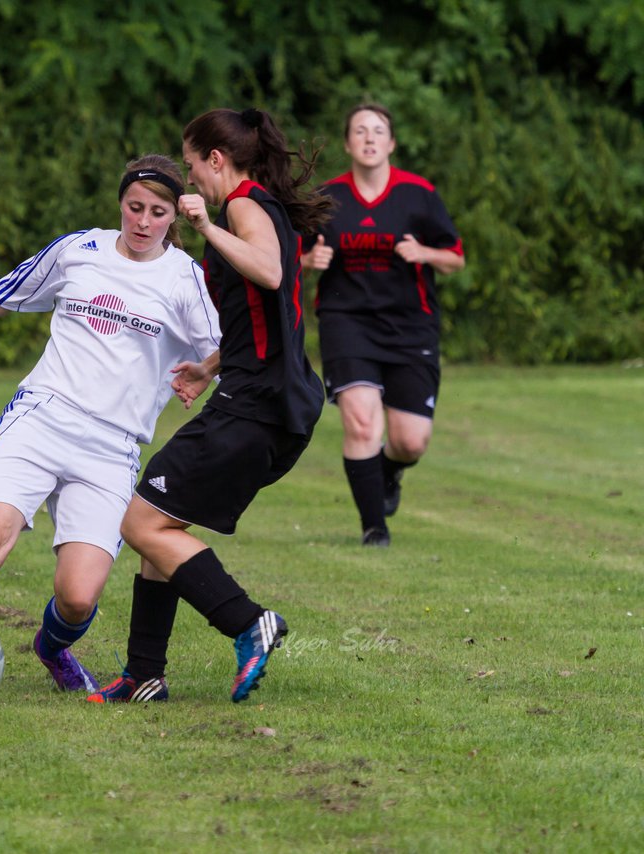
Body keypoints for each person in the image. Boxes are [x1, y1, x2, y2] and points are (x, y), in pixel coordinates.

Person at [0, 154, 224, 702]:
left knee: (79, 598)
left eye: (157, 212)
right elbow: (6, 291)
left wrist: (203, 374)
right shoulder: (78, 250)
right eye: (134, 207)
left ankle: (53, 646)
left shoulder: (185, 278)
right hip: (42, 416)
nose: (142, 221)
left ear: (172, 218)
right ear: (120, 204)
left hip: (113, 447)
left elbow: (227, 346)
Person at [88, 108, 332, 705]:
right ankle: (144, 672)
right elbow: (262, 316)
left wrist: (207, 228)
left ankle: (248, 623)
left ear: (215, 160)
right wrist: (208, 364)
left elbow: (272, 273)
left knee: (140, 523)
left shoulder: (244, 205)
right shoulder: (256, 209)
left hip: (253, 408)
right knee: (161, 520)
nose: (191, 180)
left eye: (193, 166)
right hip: (267, 402)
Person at [300, 104, 465, 547]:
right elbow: (285, 258)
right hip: (347, 322)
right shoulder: (327, 198)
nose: (369, 138)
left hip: (411, 327)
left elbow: (455, 258)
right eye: (359, 131)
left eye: (378, 131)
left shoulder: (419, 194)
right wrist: (307, 260)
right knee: (361, 424)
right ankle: (375, 528)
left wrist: (425, 254)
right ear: (348, 143)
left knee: (410, 441)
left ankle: (389, 471)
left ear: (391, 143)